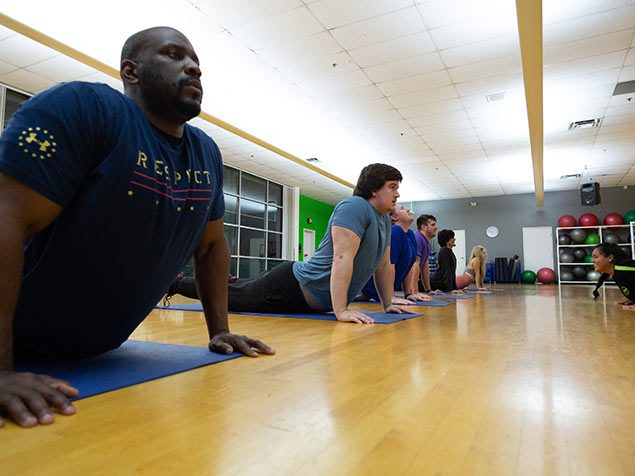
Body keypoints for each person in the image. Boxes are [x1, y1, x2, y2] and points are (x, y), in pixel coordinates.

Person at [0, 27, 274, 429]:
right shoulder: (87, 108)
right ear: (131, 71)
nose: (194, 67)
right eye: (173, 54)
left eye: (196, 61)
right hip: (17, 348)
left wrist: (220, 330)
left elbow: (212, 246)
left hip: (97, 356)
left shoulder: (206, 153)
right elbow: (7, 216)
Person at [168, 163, 413, 323]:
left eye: (397, 188)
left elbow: (382, 265)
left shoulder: (383, 220)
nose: (397, 194)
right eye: (392, 187)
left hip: (305, 298)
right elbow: (342, 258)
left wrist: (388, 303)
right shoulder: (354, 207)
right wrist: (341, 311)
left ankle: (232, 280)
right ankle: (174, 284)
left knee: (235, 288)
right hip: (290, 287)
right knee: (224, 294)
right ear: (372, 190)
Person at [357, 204, 430, 304]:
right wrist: (390, 297)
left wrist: (409, 294)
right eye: (403, 208)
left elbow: (409, 266)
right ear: (394, 217)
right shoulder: (395, 231)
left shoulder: (410, 234)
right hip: (372, 288)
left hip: (380, 291)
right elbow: (389, 264)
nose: (408, 209)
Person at [591, 243, 635, 310]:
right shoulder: (616, 274)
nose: (592, 261)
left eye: (596, 257)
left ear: (610, 258)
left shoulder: (623, 270)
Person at [430, 229, 465, 294]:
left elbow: (452, 273)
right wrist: (451, 289)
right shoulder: (444, 252)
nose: (454, 239)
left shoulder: (449, 251)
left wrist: (455, 288)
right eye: (452, 238)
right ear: (446, 240)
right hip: (437, 283)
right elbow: (446, 271)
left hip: (443, 284)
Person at [413, 214, 441, 294]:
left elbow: (425, 267)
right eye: (433, 225)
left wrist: (428, 290)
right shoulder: (417, 237)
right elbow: (415, 265)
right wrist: (415, 292)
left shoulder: (427, 243)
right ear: (423, 227)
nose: (436, 228)